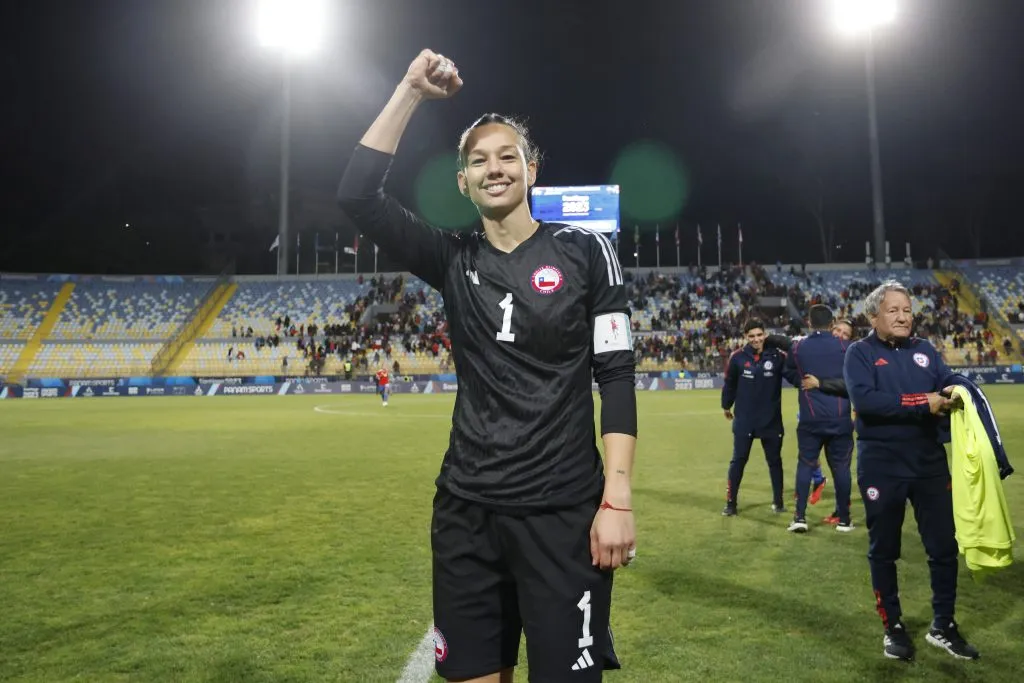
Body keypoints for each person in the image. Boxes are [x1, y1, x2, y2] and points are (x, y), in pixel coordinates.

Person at [336, 49, 637, 683]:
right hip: (467, 510)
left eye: (507, 156)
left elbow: (616, 375)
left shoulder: (586, 251)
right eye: (478, 160)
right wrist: (410, 92)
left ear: (532, 169)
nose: (493, 168)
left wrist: (618, 498)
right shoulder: (450, 258)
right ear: (463, 182)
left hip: (561, 511)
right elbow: (357, 195)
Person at [843, 281, 979, 661]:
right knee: (884, 550)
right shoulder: (860, 353)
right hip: (882, 465)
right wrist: (924, 402)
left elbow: (945, 384)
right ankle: (894, 627)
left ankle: (944, 625)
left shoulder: (925, 351)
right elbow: (865, 401)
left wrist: (961, 391)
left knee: (943, 548)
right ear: (874, 316)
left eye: (907, 309)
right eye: (894, 310)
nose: (903, 316)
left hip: (929, 463)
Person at [780, 305, 854, 533]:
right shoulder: (848, 348)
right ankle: (844, 520)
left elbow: (787, 370)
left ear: (809, 323)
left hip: (811, 419)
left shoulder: (799, 347)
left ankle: (800, 517)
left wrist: (802, 381)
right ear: (832, 324)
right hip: (840, 419)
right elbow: (855, 384)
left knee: (805, 465)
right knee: (841, 469)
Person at [721, 319, 791, 516]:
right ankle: (731, 503)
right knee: (738, 461)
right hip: (745, 420)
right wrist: (726, 405)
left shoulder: (777, 356)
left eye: (759, 335)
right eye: (751, 336)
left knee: (775, 462)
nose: (756, 339)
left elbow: (792, 374)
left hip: (771, 420)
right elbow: (730, 384)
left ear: (765, 334)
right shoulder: (738, 358)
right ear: (745, 337)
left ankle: (778, 502)